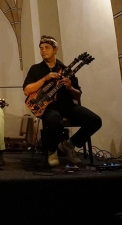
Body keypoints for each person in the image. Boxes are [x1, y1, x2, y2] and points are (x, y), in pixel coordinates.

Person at [23, 35, 102, 166]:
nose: (43, 50)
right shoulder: (35, 69)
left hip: (68, 106)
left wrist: (70, 87)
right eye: (41, 48)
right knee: (55, 121)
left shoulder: (66, 69)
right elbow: (27, 90)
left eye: (46, 47)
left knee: (95, 120)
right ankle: (52, 151)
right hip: (49, 108)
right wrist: (45, 79)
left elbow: (78, 95)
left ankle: (69, 144)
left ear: (55, 50)